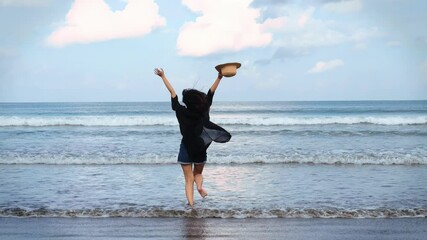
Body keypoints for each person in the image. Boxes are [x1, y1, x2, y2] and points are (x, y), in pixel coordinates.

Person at [154, 68, 231, 207]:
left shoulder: (181, 111)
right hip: (200, 147)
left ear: (187, 102)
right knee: (198, 174)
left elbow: (173, 93)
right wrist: (219, 77)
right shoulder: (203, 110)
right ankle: (200, 188)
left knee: (188, 179)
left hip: (186, 147)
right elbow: (211, 93)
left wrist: (163, 76)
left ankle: (191, 206)